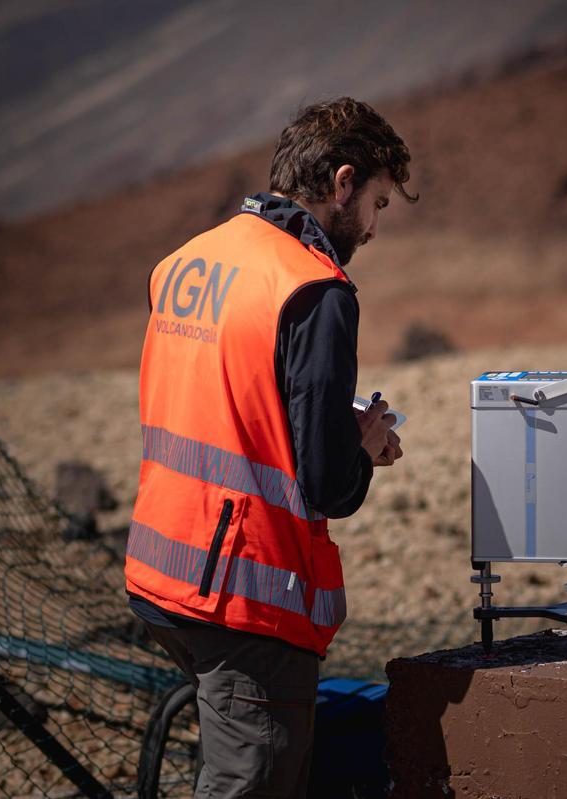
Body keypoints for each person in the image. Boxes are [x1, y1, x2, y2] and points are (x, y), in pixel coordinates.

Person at [124, 97, 415, 798]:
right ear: (342, 182)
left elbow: (224, 396)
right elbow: (325, 486)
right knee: (250, 781)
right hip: (245, 592)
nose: (373, 227)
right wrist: (364, 442)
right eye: (377, 203)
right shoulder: (315, 290)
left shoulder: (190, 260)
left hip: (162, 569)